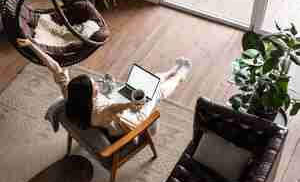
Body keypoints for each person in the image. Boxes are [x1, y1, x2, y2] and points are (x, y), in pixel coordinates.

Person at [17, 38, 192, 136]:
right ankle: (179, 76)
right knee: (156, 92)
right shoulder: (99, 111)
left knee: (145, 81)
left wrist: (32, 45)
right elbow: (114, 107)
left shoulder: (70, 93)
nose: (97, 85)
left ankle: (171, 71)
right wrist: (130, 105)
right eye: (95, 88)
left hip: (113, 110)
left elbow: (55, 67)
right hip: (127, 123)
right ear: (90, 96)